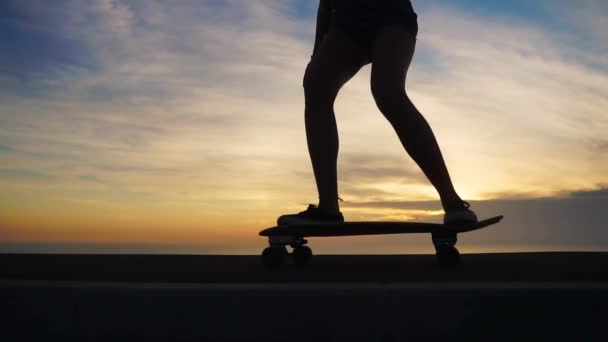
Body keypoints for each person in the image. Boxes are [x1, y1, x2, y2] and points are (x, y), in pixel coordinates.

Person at [278, 0, 477, 225]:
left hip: (392, 16)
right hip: (346, 25)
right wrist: (317, 52)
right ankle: (328, 209)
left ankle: (451, 200)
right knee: (315, 86)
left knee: (387, 93)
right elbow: (326, 5)